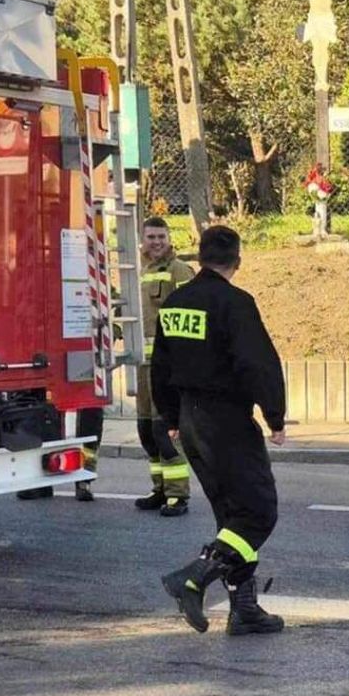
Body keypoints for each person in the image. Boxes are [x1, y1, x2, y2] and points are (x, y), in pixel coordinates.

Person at [153, 225, 287, 637]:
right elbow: (257, 363)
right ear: (237, 261)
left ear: (199, 256)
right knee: (258, 512)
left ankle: (244, 608)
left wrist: (172, 418)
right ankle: (193, 577)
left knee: (232, 516)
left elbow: (159, 366)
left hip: (191, 423)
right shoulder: (235, 303)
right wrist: (275, 417)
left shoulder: (175, 303)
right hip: (226, 420)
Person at [134, 217, 196, 517]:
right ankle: (159, 489)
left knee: (165, 430)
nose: (156, 242)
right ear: (142, 239)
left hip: (167, 368)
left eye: (161, 236)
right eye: (151, 237)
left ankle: (177, 495)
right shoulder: (139, 270)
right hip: (143, 366)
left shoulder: (180, 271)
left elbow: (194, 312)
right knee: (146, 430)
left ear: (169, 238)